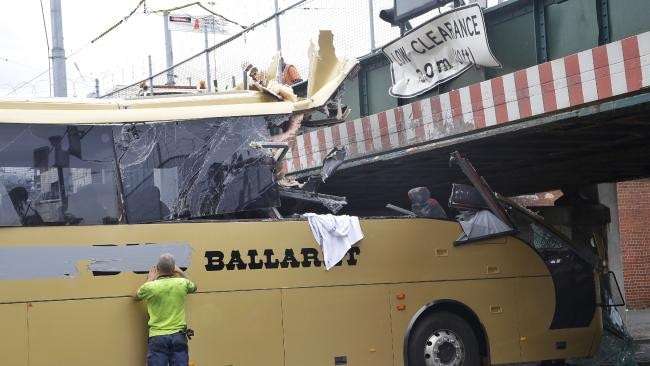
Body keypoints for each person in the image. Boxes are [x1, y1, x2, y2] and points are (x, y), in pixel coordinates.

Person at [135, 253, 197, 366]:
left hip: (158, 336)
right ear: (173, 269)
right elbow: (194, 287)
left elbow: (136, 297)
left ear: (158, 269)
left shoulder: (150, 287)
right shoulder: (183, 283)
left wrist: (149, 279)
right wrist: (181, 272)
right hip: (179, 336)